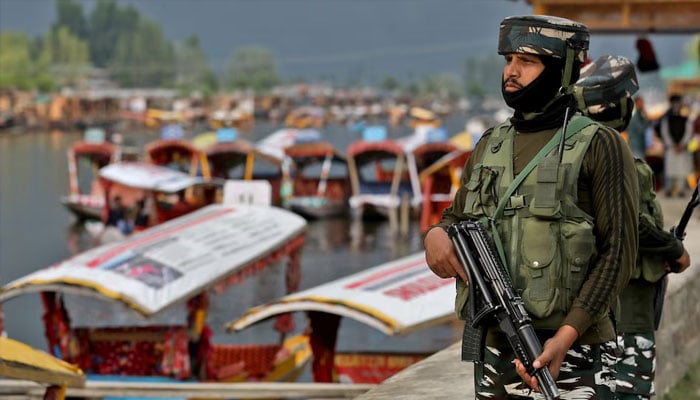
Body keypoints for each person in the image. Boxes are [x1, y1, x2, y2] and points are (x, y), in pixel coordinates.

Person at [423, 15, 639, 399]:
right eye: (508, 60)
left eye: (527, 61)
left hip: (575, 350)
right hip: (495, 349)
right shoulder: (490, 144)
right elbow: (455, 219)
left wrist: (568, 334)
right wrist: (435, 236)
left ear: (561, 68)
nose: (512, 71)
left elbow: (619, 252)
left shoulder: (600, 144)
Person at [575, 54, 692, 400]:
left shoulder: (577, 153)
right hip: (628, 300)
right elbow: (634, 225)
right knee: (633, 387)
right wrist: (675, 250)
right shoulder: (621, 159)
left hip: (591, 301)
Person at [658, 94, 694, 197]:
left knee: (682, 170)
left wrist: (682, 145)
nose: (676, 105)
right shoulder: (666, 120)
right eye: (675, 103)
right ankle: (669, 190)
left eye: (678, 103)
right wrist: (673, 145)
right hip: (671, 149)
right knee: (670, 170)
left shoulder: (686, 120)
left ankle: (681, 190)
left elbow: (688, 133)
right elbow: (665, 134)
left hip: (682, 149)